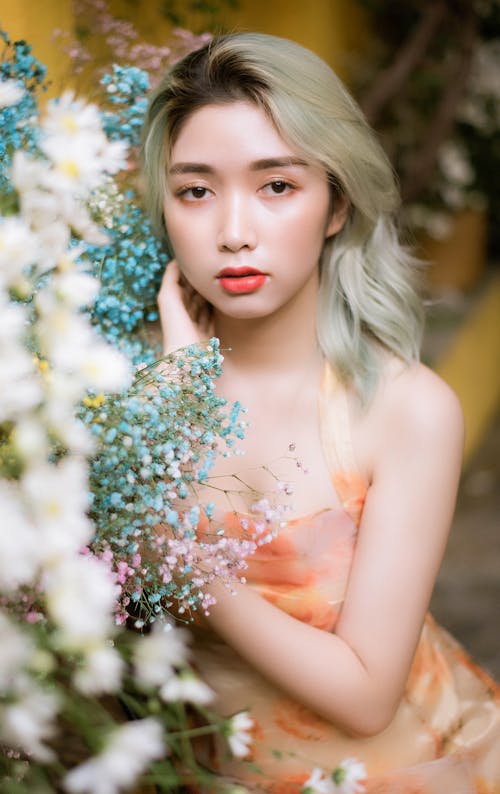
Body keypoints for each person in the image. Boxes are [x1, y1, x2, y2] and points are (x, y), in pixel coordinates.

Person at [141, 32, 500, 793]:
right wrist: (169, 391)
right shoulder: (130, 382)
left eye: (277, 186)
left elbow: (367, 696)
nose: (234, 231)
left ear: (336, 204)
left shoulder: (404, 408)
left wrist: (187, 567)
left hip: (387, 768)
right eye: (196, 190)